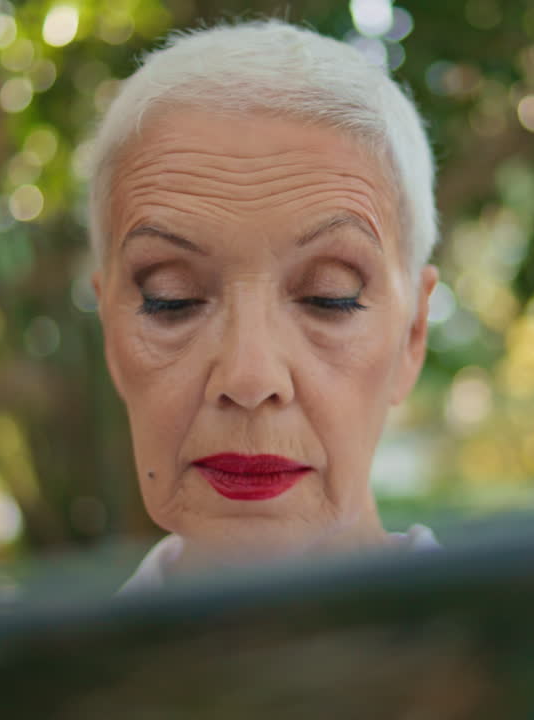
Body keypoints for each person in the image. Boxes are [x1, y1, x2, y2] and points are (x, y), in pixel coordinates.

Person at [88, 20, 442, 593]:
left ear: (412, 336)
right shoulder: (40, 681)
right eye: (170, 301)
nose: (249, 378)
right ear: (111, 334)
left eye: (330, 297)